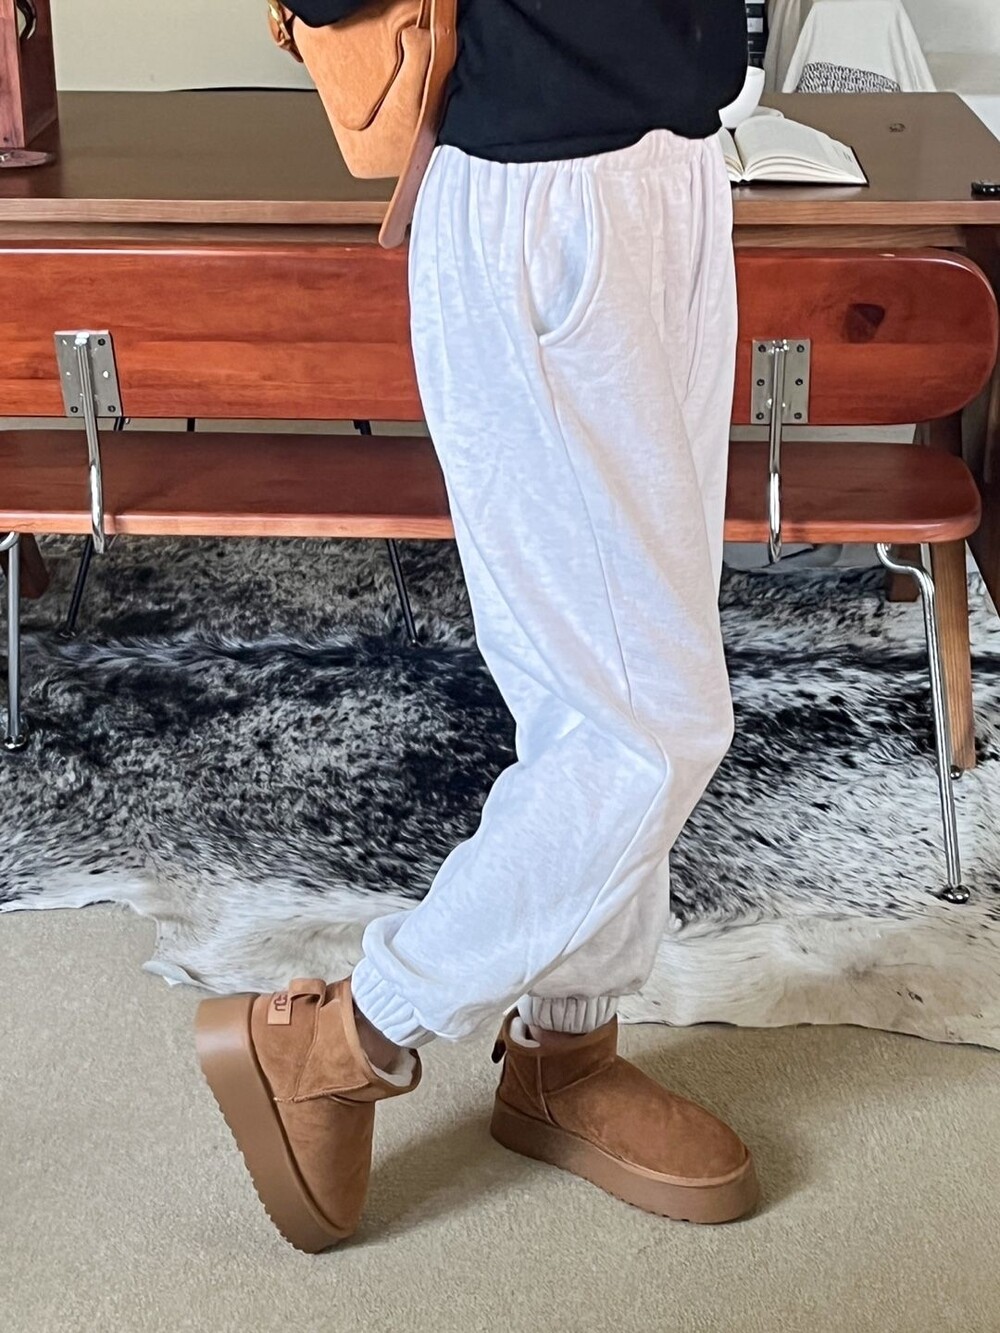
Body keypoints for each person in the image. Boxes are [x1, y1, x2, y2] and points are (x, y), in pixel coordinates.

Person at [195, 0, 758, 1252]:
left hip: (678, 164)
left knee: (617, 672)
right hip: (534, 194)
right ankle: (347, 1033)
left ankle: (568, 1047)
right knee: (649, 725)